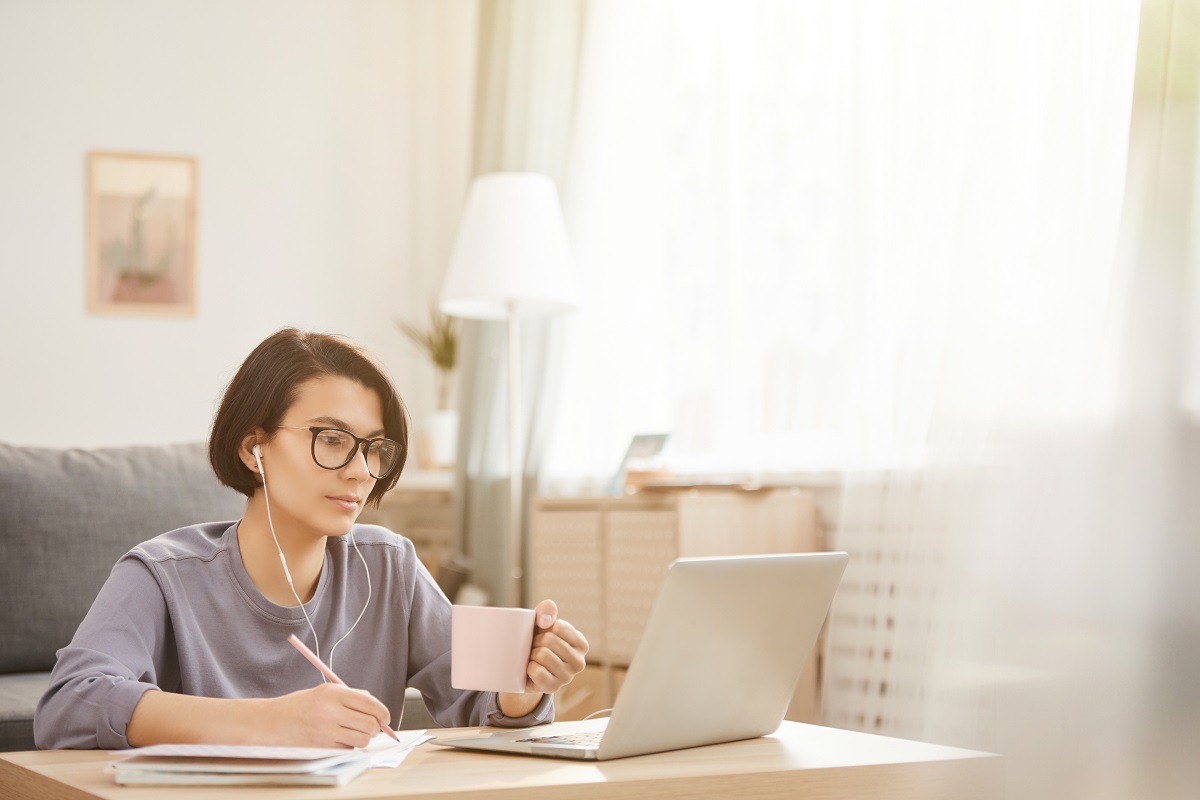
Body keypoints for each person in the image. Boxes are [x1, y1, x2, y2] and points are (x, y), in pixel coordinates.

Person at [34, 328, 588, 750]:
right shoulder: (161, 574)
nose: (360, 471)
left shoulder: (389, 566)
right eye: (331, 439)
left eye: (374, 447)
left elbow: (480, 705)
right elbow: (70, 705)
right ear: (254, 448)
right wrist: (272, 722)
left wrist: (525, 686)